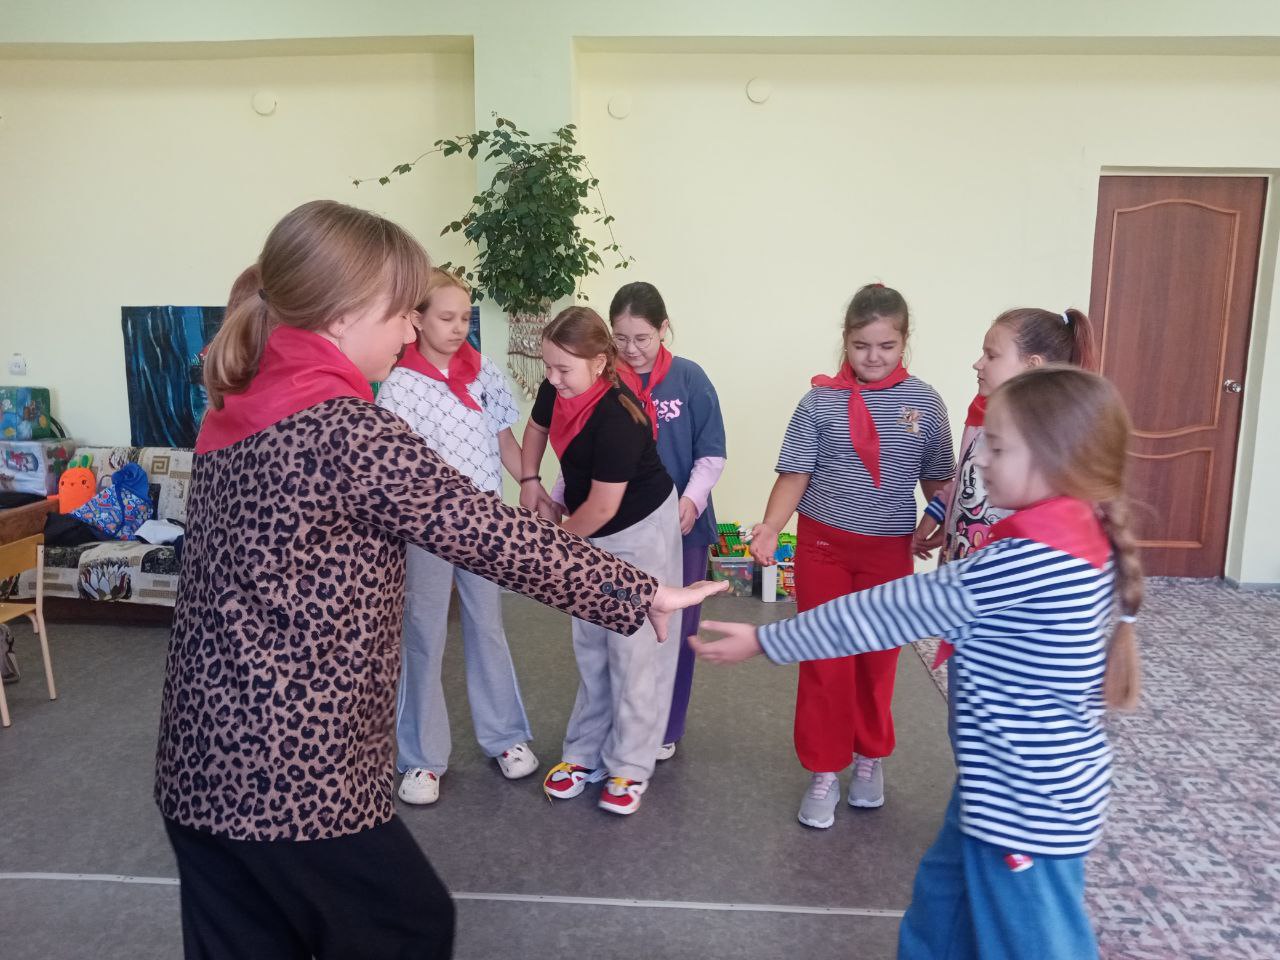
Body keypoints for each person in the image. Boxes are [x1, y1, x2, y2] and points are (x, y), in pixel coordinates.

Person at [155, 200, 722, 960]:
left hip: (201, 760)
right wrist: (637, 590)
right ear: (343, 314)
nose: (407, 331)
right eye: (400, 313)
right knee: (409, 925)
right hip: (292, 771)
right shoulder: (342, 427)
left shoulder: (238, 407)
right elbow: (480, 527)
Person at [695, 365, 1143, 960]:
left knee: (1035, 941)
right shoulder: (1077, 534)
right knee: (940, 911)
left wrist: (767, 641)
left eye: (999, 449)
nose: (980, 463)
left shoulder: (1029, 561)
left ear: (1053, 461)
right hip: (997, 781)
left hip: (1023, 802)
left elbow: (888, 610)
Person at [749, 283, 954, 826]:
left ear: (904, 343)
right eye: (862, 345)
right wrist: (771, 527)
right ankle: (823, 770)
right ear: (845, 340)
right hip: (824, 549)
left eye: (887, 346)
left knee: (877, 659)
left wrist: (942, 524)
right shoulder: (819, 401)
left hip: (888, 554)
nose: (874, 357)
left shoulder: (925, 402)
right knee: (825, 658)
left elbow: (939, 478)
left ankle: (868, 758)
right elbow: (795, 474)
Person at [376, 268, 537, 806]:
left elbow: (505, 441)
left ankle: (506, 736)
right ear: (416, 319)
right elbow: (393, 472)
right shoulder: (400, 387)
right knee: (424, 634)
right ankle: (422, 759)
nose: (458, 328)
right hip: (426, 530)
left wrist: (532, 485)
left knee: (487, 626)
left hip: (484, 521)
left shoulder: (483, 371)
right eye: (446, 318)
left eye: (465, 318)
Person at [520, 306, 681, 816]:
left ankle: (630, 765)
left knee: (634, 651)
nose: (552, 378)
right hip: (591, 526)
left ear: (599, 362)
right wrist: (530, 479)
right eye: (548, 366)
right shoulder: (558, 384)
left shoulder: (618, 417)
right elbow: (536, 429)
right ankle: (584, 754)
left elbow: (605, 508)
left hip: (638, 529)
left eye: (563, 369)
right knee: (591, 645)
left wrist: (553, 544)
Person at [609, 281, 727, 761]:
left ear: (663, 329)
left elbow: (712, 452)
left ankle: (664, 726)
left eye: (642, 337)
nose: (631, 349)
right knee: (622, 625)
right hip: (620, 528)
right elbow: (582, 450)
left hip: (683, 529)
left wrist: (692, 501)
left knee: (674, 631)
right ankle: (623, 719)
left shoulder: (689, 378)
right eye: (620, 338)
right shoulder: (605, 381)